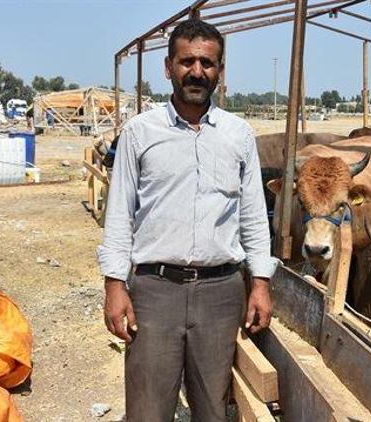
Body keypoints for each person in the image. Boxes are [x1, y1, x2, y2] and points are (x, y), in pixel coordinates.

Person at [97, 19, 277, 421]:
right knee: (147, 408)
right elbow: (120, 212)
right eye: (187, 61)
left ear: (220, 70)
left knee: (212, 406)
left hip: (221, 292)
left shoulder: (238, 135)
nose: (197, 72)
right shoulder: (140, 133)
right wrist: (114, 285)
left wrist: (260, 283)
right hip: (154, 290)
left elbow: (252, 217)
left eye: (207, 63)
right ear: (168, 67)